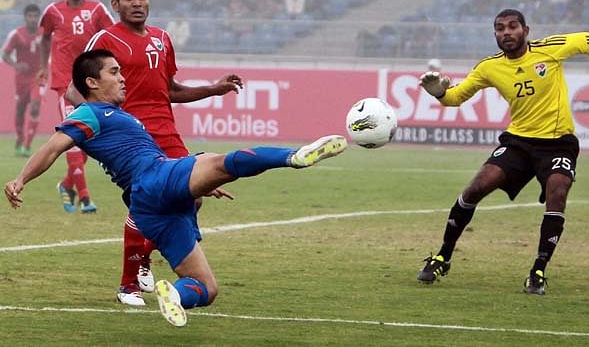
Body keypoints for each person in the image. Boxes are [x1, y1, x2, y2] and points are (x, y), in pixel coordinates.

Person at [4, 49, 348, 327]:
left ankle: (176, 295)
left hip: (153, 208)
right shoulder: (90, 114)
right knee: (219, 162)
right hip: (155, 179)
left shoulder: (114, 115)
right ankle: (295, 156)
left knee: (207, 288)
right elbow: (52, 147)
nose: (123, 78)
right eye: (113, 72)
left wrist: (196, 186)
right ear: (92, 82)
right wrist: (21, 179)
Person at [417, 8, 589, 295]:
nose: (506, 32)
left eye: (512, 26)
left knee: (558, 192)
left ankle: (538, 271)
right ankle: (442, 256)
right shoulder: (489, 68)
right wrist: (439, 93)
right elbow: (456, 97)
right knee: (475, 188)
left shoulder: (548, 50)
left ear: (525, 31)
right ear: (495, 34)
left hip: (558, 143)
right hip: (518, 142)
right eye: (500, 28)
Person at [81, 0, 243, 307]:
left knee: (192, 198)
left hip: (167, 132)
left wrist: (214, 88)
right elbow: (75, 90)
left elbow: (169, 91)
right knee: (152, 204)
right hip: (134, 137)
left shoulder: (162, 38)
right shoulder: (105, 41)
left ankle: (143, 264)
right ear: (115, 3)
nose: (137, 2)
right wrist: (103, 126)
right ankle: (131, 282)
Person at [39, 0, 115, 214]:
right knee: (73, 136)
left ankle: (66, 184)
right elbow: (44, 37)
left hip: (92, 83)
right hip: (65, 84)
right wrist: (42, 66)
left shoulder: (97, 10)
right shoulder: (53, 11)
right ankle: (84, 198)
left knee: (89, 138)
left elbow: (112, 36)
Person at [2, 4, 43, 157]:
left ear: (39, 17)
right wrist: (16, 64)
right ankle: (20, 138)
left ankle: (27, 145)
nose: (33, 19)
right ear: (25, 17)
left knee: (35, 106)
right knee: (20, 111)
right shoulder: (17, 34)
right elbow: (5, 54)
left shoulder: (44, 33)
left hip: (38, 77)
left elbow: (53, 48)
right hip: (21, 79)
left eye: (35, 16)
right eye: (30, 16)